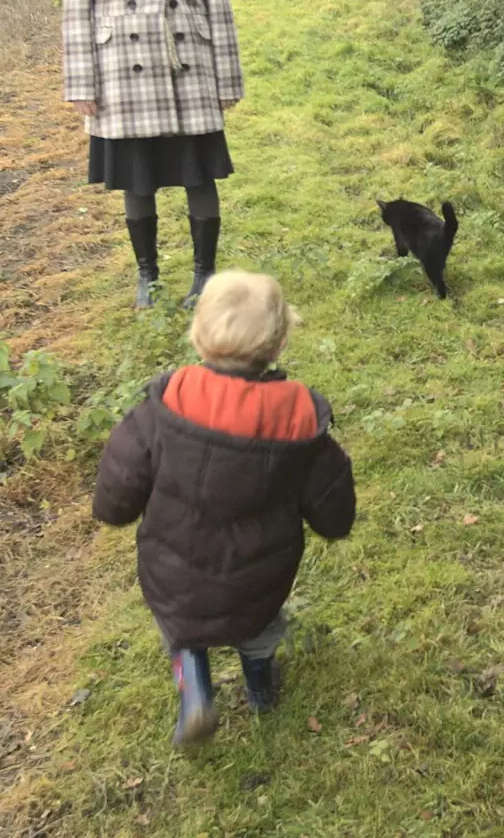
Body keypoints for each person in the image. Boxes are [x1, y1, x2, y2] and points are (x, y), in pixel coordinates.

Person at [92, 271, 356, 746]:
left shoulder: (162, 408)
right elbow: (333, 509)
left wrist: (113, 508)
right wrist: (334, 521)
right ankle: (260, 687)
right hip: (259, 578)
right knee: (258, 629)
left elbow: (118, 487)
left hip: (172, 574)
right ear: (278, 346)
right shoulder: (298, 424)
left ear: (198, 337)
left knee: (181, 627)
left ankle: (194, 686)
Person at [62, 0, 244, 309]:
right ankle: (149, 275)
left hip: (188, 64)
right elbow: (77, 8)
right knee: (136, 177)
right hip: (123, 66)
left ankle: (205, 274)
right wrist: (81, 81)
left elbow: (217, 3)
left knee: (198, 173)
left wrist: (228, 78)